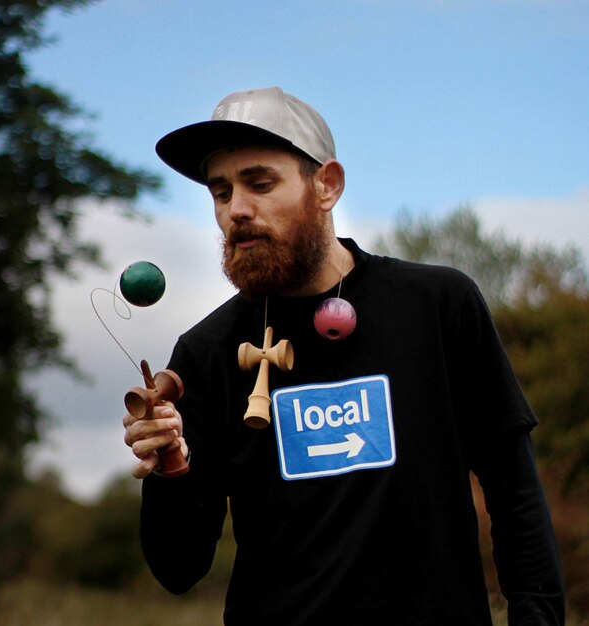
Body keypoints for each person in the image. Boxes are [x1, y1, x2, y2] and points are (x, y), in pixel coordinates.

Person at [123, 87, 565, 625]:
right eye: (221, 192)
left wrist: (537, 618)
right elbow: (178, 568)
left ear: (326, 185)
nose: (237, 209)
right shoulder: (206, 352)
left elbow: (514, 490)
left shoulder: (437, 306)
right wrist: (171, 466)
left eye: (260, 183)